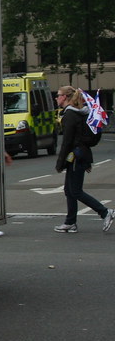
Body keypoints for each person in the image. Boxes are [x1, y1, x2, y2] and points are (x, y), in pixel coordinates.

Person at [53, 86, 114, 233]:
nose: (56, 97)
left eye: (58, 95)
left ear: (66, 97)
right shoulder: (80, 113)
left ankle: (105, 212)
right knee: (69, 190)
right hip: (81, 155)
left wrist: (60, 163)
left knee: (75, 191)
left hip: (76, 157)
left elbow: (67, 142)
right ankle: (70, 222)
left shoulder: (69, 116)